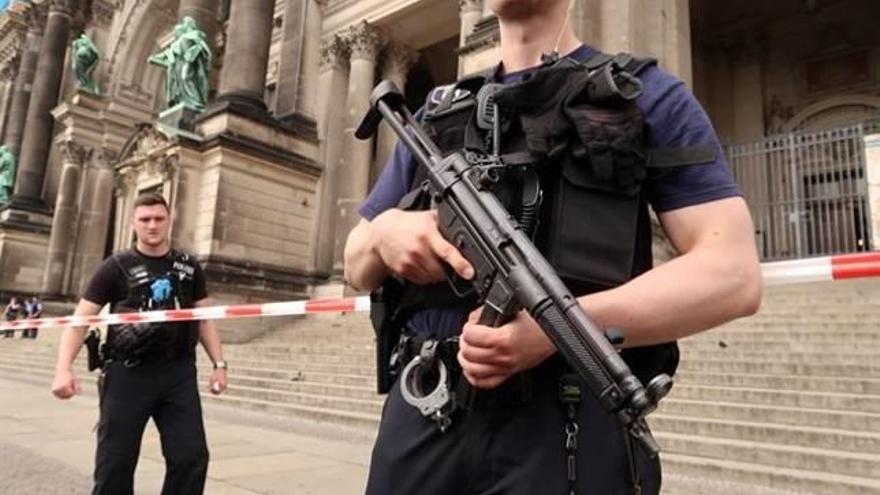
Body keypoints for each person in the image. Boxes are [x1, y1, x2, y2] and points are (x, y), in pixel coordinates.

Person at [343, 1, 763, 494]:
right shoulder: (435, 112)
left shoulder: (645, 94)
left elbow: (733, 274)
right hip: (424, 406)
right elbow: (356, 262)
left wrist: (549, 333)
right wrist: (385, 231)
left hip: (568, 415)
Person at [51, 192, 228, 495]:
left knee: (190, 457)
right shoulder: (115, 267)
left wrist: (219, 365)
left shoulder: (189, 267)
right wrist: (62, 368)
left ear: (169, 221)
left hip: (178, 374)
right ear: (134, 223)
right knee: (115, 463)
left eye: (159, 219)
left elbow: (205, 319)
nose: (152, 225)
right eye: (145, 220)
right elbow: (80, 320)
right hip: (128, 375)